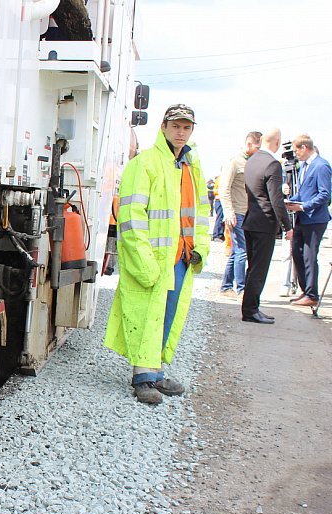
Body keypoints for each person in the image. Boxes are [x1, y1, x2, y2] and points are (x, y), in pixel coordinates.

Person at [104, 104, 211, 405]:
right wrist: (143, 260)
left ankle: (156, 371)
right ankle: (142, 377)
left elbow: (200, 214)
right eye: (176, 126)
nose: (181, 132)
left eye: (186, 127)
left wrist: (200, 249)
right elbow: (131, 216)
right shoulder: (145, 163)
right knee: (146, 315)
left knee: (166, 316)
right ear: (164, 127)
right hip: (154, 259)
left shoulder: (191, 168)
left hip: (181, 258)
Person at [241, 129, 293, 324]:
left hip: (251, 220)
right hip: (264, 223)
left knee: (252, 268)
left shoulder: (251, 160)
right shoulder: (272, 164)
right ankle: (250, 310)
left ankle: (251, 307)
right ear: (277, 142)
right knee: (259, 270)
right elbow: (276, 199)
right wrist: (287, 226)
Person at [285, 136, 331, 307]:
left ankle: (312, 294)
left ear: (304, 147)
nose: (295, 154)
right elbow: (304, 193)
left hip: (315, 219)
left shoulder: (321, 166)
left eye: (296, 150)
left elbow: (324, 194)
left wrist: (303, 206)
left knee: (309, 256)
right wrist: (290, 201)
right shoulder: (305, 166)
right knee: (297, 254)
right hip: (302, 218)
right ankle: (306, 291)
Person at [218, 131, 262, 296]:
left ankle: (226, 286)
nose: (259, 151)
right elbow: (224, 188)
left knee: (237, 251)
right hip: (236, 213)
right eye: (258, 147)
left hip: (247, 213)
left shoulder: (253, 163)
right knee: (242, 251)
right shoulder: (235, 162)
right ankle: (242, 289)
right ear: (249, 144)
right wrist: (228, 212)